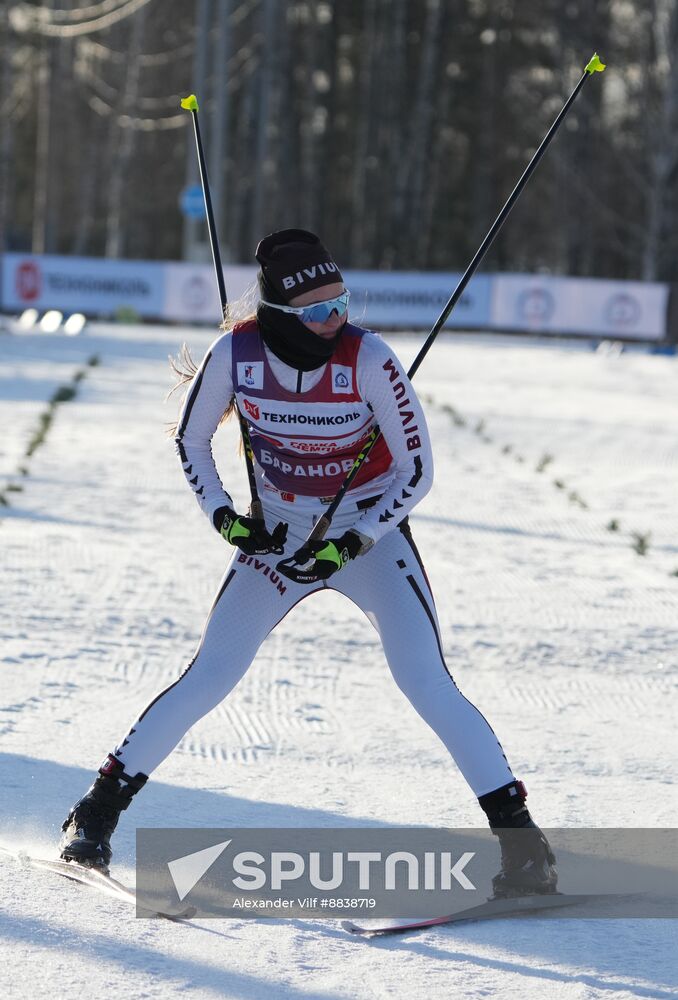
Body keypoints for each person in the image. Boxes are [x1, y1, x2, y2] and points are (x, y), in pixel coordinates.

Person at [59, 229, 557, 898]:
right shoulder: (235, 354)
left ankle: (524, 849)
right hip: (280, 538)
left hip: (366, 537)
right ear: (282, 317)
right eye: (320, 312)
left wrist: (354, 541)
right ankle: (94, 814)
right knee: (210, 674)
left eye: (343, 303)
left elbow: (417, 471)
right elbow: (192, 438)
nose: (338, 319)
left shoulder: (369, 359)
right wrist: (224, 515)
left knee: (425, 681)